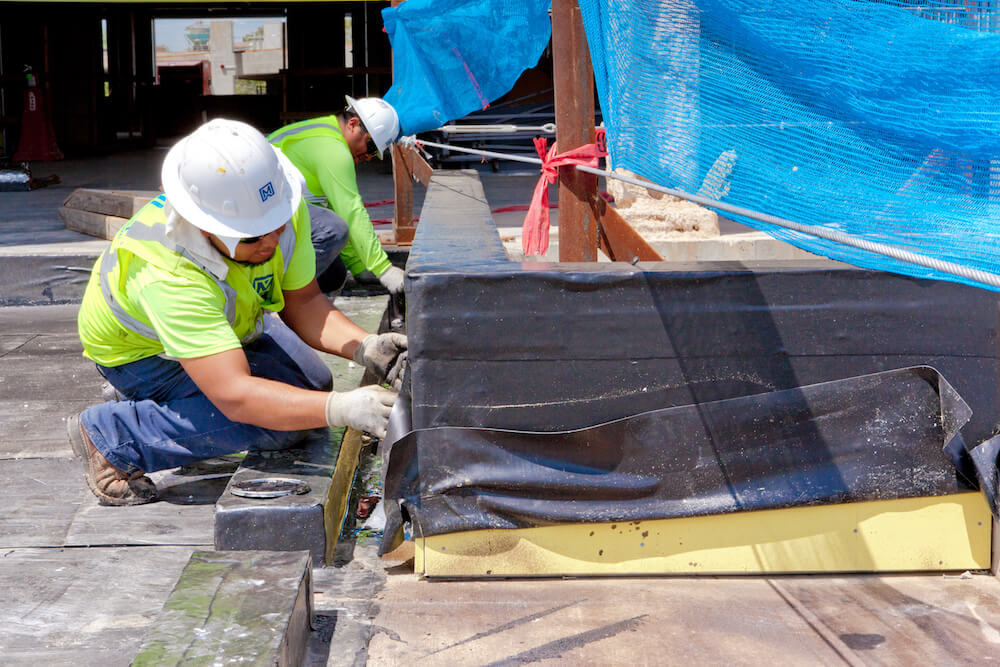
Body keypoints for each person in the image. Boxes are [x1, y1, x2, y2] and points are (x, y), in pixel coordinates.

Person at [69, 119, 408, 506]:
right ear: (203, 225)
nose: (271, 242)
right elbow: (237, 395)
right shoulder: (169, 271)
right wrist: (342, 409)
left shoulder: (274, 206)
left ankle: (179, 398)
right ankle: (112, 436)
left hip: (230, 324)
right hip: (141, 354)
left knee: (312, 387)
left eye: (276, 226)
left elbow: (304, 301)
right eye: (252, 238)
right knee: (278, 425)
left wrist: (365, 346)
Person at [268, 96, 405, 295]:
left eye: (374, 154)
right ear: (353, 124)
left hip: (271, 212)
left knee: (334, 274)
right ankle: (277, 296)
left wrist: (359, 268)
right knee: (333, 229)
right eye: (371, 146)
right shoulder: (333, 150)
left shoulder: (327, 132)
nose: (368, 156)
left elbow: (333, 210)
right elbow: (351, 212)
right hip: (259, 221)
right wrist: (383, 269)